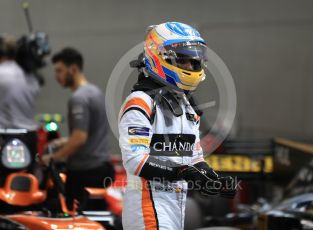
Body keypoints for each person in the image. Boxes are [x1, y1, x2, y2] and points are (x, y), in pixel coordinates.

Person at [119, 22, 236, 230]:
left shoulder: (187, 105)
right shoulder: (141, 101)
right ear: (158, 57)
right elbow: (135, 161)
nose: (190, 67)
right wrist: (182, 172)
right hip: (147, 205)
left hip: (176, 206)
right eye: (182, 60)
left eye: (194, 61)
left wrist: (213, 180)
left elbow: (194, 158)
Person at [41, 47, 114, 210]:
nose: (56, 76)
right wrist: (64, 141)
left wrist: (54, 158)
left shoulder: (78, 98)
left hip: (85, 173)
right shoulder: (96, 92)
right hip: (103, 168)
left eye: (59, 71)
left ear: (73, 69)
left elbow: (80, 138)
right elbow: (91, 132)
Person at [0, 35, 40, 171]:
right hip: (30, 137)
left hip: (9, 137)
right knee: (27, 182)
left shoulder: (2, 74)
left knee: (8, 183)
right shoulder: (31, 77)